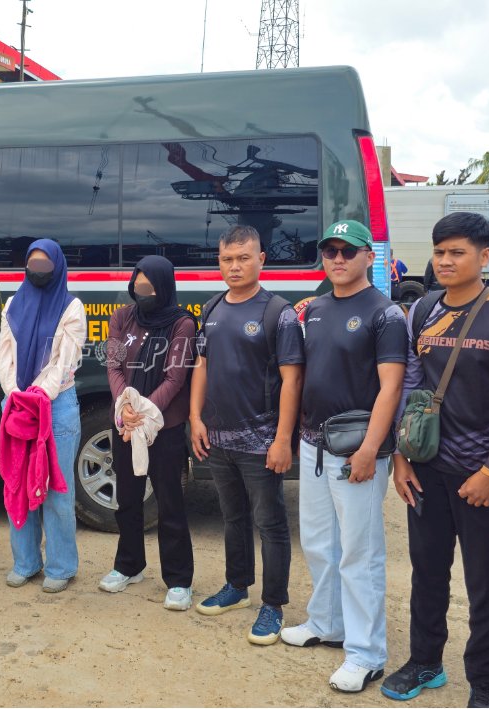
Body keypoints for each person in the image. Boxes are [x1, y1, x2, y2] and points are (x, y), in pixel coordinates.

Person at [383, 211, 489, 708]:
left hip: (485, 476)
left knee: (486, 584)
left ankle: (485, 683)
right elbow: (411, 384)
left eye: (457, 252)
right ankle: (425, 661)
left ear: (484, 256)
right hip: (427, 468)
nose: (446, 261)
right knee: (427, 572)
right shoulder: (424, 310)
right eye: (440, 252)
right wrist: (401, 455)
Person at [285, 220, 407, 692]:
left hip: (357, 448)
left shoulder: (385, 314)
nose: (338, 258)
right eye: (330, 250)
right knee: (319, 543)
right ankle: (327, 623)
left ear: (368, 257)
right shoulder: (313, 308)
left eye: (348, 250)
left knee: (360, 553)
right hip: (314, 444)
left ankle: (366, 653)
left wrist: (371, 449)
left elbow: (391, 387)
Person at [189, 224, 304, 645]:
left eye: (243, 258)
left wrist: (282, 440)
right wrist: (195, 417)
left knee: (270, 522)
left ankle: (272, 605)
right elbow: (201, 365)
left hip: (261, 441)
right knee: (231, 517)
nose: (234, 266)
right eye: (226, 259)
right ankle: (236, 586)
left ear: (261, 260)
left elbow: (292, 381)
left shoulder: (279, 313)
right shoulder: (213, 307)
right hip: (217, 438)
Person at [98, 255, 197, 610]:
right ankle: (129, 565)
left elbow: (175, 377)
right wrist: (124, 409)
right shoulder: (121, 317)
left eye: (151, 286)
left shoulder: (182, 324)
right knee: (127, 499)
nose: (144, 292)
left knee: (170, 503)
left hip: (163, 427)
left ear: (165, 286)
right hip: (124, 424)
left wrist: (141, 413)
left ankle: (179, 580)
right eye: (139, 285)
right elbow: (112, 364)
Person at [0, 239, 87, 593]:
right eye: (32, 262)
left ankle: (61, 566)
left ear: (58, 267)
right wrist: (15, 394)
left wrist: (37, 395)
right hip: (16, 404)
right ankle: (26, 562)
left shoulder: (71, 306)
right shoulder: (12, 305)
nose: (38, 270)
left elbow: (65, 361)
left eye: (45, 264)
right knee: (16, 482)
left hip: (56, 404)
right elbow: (4, 355)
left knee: (56, 489)